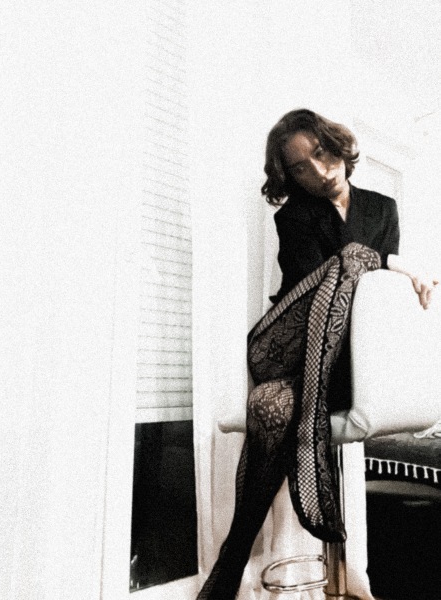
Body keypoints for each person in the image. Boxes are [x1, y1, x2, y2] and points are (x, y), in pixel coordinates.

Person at [196, 109, 438, 600]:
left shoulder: (383, 208)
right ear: (290, 177)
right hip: (283, 345)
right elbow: (319, 285)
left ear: (337, 146)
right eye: (301, 168)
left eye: (322, 154)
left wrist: (384, 268)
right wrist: (394, 263)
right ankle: (309, 441)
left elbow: (368, 306)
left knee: (269, 406)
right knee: (355, 258)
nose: (320, 171)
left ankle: (229, 564)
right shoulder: (294, 216)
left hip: (337, 367)